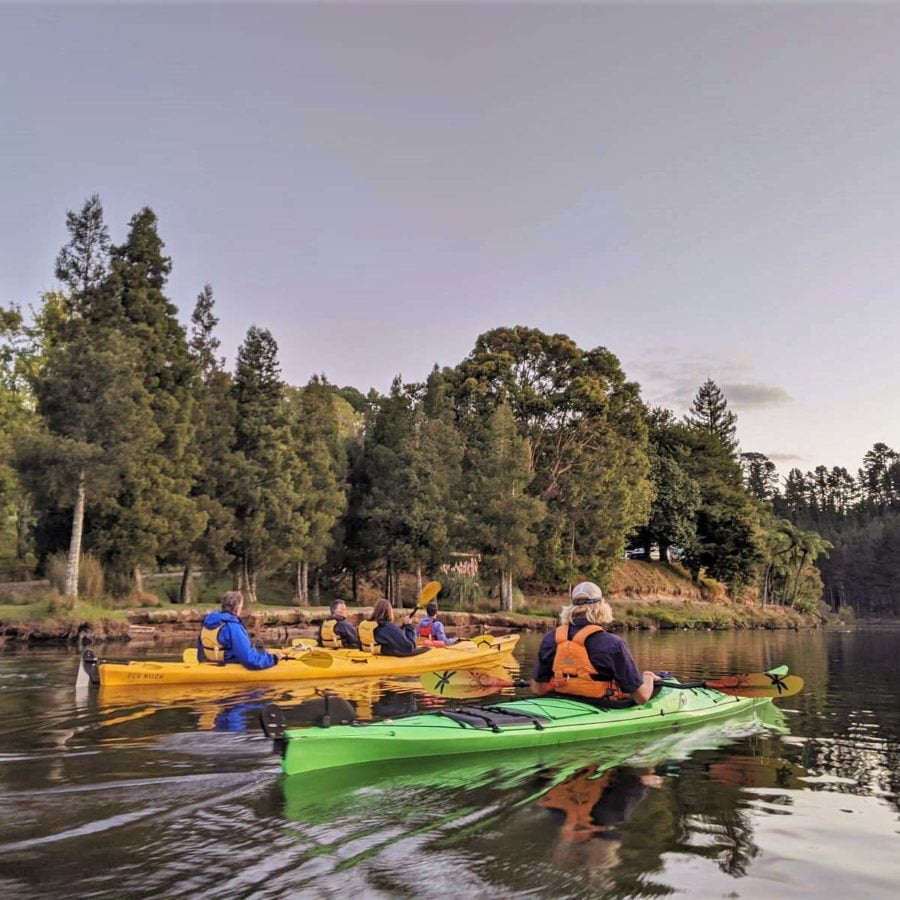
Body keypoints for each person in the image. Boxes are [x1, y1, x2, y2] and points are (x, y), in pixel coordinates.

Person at [531, 582, 657, 704]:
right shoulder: (613, 643)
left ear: (571, 608)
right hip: (601, 706)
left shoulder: (550, 638)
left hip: (562, 704)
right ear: (601, 607)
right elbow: (642, 698)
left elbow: (538, 689)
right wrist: (648, 676)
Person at [197, 591, 279, 670]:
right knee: (261, 655)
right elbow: (249, 660)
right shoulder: (233, 627)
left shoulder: (207, 623)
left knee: (257, 650)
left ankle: (260, 651)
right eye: (241, 607)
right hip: (230, 665)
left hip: (211, 663)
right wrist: (274, 659)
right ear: (237, 609)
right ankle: (264, 654)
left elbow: (200, 654)